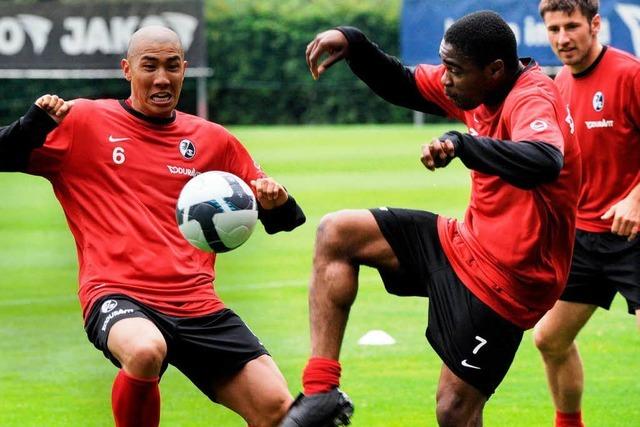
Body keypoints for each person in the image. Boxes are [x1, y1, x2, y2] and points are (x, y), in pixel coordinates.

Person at [281, 10, 582, 427]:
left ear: (494, 71)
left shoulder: (531, 97)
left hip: (510, 283)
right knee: (338, 232)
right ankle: (320, 392)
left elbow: (545, 159)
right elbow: (403, 83)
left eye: (455, 71)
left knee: (453, 411)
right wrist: (353, 42)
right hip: (463, 244)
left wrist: (463, 146)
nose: (444, 79)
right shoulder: (477, 86)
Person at [0, 26, 306, 427]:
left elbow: (287, 221)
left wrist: (276, 200)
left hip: (198, 304)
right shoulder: (84, 121)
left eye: (172, 67)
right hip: (118, 293)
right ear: (127, 69)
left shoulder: (214, 141)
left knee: (279, 411)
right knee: (145, 350)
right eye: (150, 67)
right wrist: (33, 124)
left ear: (184, 70)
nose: (162, 78)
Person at [534, 1, 640, 426]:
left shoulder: (629, 74)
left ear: (595, 24)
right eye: (554, 28)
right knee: (549, 339)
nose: (563, 38)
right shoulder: (559, 83)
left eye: (572, 26)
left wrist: (636, 199)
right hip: (584, 238)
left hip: (634, 236)